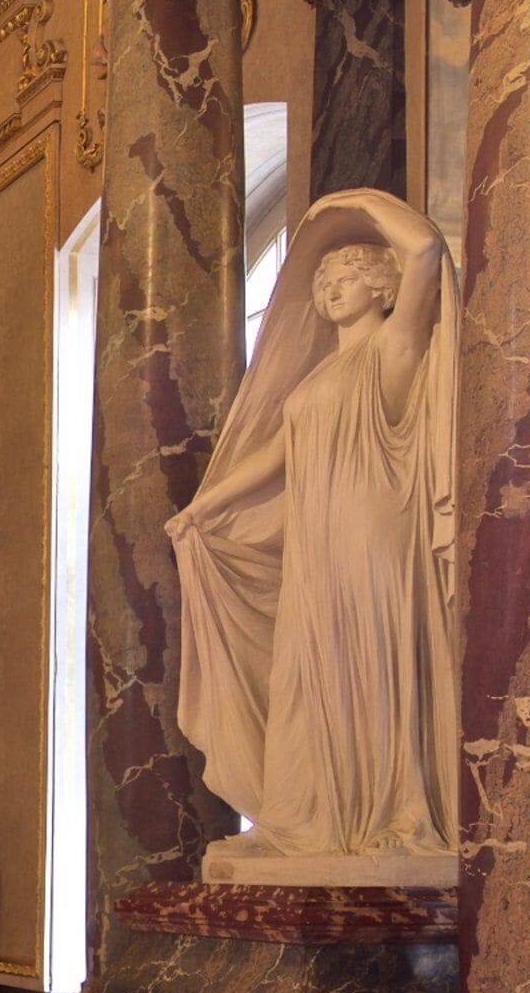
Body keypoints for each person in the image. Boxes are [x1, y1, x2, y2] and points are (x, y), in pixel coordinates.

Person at [164, 190, 458, 873]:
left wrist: (360, 204)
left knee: (369, 661)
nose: (328, 288)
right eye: (321, 281)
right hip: (316, 538)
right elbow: (277, 456)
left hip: (373, 530)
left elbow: (425, 251)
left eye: (345, 274)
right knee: (310, 666)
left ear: (382, 285)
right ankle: (316, 816)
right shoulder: (321, 373)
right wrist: (205, 508)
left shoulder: (396, 346)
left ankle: (389, 813)